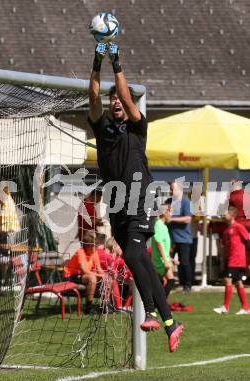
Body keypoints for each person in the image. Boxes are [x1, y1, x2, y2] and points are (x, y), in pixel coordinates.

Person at [88, 42, 183, 352]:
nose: (116, 102)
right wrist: (96, 62)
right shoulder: (103, 129)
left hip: (140, 199)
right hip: (116, 205)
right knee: (136, 256)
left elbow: (129, 98)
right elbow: (92, 98)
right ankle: (169, 321)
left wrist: (116, 63)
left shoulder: (137, 128)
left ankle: (153, 312)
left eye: (119, 98)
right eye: (112, 98)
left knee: (132, 253)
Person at [213, 206, 250, 315]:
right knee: (238, 282)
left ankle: (225, 307)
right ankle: (245, 308)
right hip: (230, 259)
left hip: (237, 259)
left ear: (232, 215)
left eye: (225, 213)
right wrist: (223, 258)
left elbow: (249, 240)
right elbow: (225, 247)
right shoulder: (226, 230)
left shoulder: (238, 227)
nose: (223, 215)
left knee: (228, 279)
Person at [63, 231, 104, 314]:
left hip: (82, 276)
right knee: (92, 278)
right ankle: (88, 308)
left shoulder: (94, 252)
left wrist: (104, 275)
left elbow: (99, 268)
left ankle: (105, 306)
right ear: (88, 246)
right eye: (93, 246)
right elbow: (84, 270)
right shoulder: (80, 252)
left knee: (109, 279)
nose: (96, 248)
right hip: (71, 277)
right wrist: (100, 275)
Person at [167, 182, 193, 293]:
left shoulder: (186, 202)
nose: (172, 191)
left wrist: (172, 219)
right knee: (167, 262)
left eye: (173, 189)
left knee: (184, 262)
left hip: (183, 238)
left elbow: (188, 219)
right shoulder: (168, 202)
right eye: (171, 189)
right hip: (170, 239)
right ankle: (168, 283)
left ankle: (187, 285)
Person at [151, 204, 175, 299]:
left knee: (161, 282)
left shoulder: (163, 226)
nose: (171, 215)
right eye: (170, 212)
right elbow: (159, 243)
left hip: (164, 258)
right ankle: (160, 303)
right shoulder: (158, 225)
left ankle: (161, 304)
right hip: (160, 259)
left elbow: (164, 246)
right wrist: (165, 260)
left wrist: (169, 258)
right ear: (165, 213)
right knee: (171, 281)